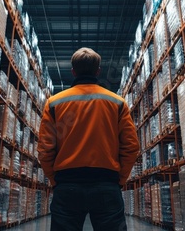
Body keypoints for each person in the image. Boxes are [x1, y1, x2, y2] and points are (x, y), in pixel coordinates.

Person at [38, 47, 140, 231]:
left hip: (67, 185)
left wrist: (56, 180)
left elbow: (45, 149)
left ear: (73, 71)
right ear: (98, 71)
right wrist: (119, 180)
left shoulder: (54, 103)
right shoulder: (117, 102)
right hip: (106, 184)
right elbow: (131, 146)